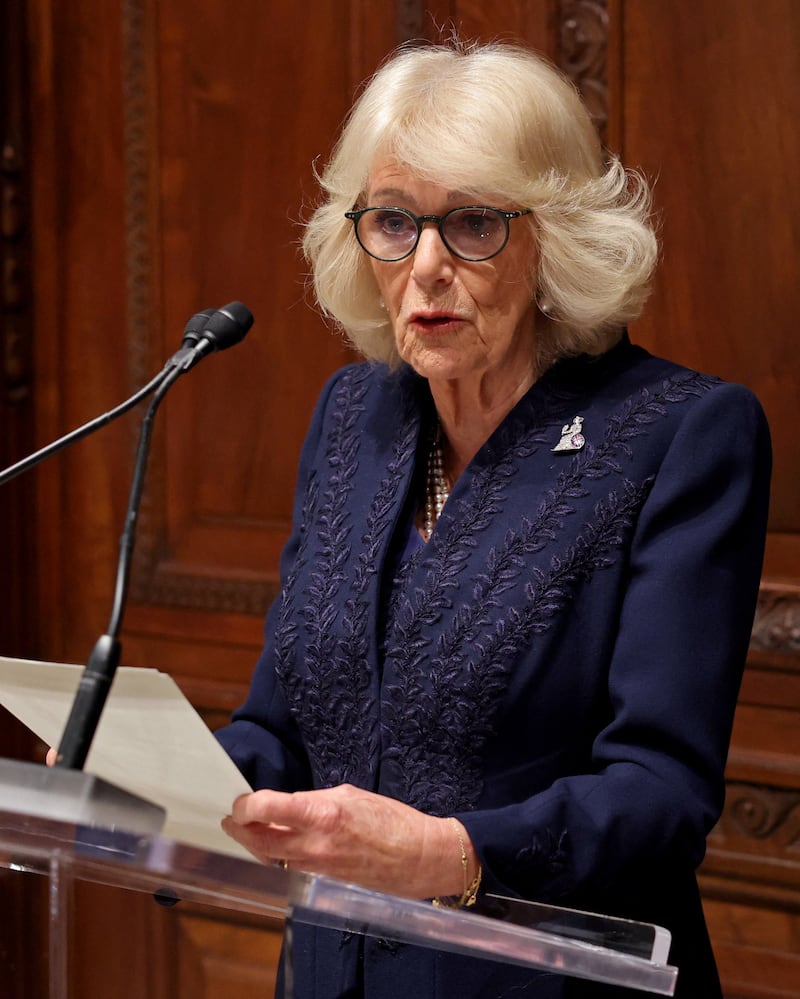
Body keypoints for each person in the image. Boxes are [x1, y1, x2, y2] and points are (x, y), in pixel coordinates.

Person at [215, 38, 771, 999]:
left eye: (472, 223)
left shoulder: (678, 436)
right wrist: (161, 777)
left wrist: (449, 853)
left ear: (554, 235)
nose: (426, 265)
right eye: (393, 221)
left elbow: (659, 793)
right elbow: (279, 725)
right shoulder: (355, 416)